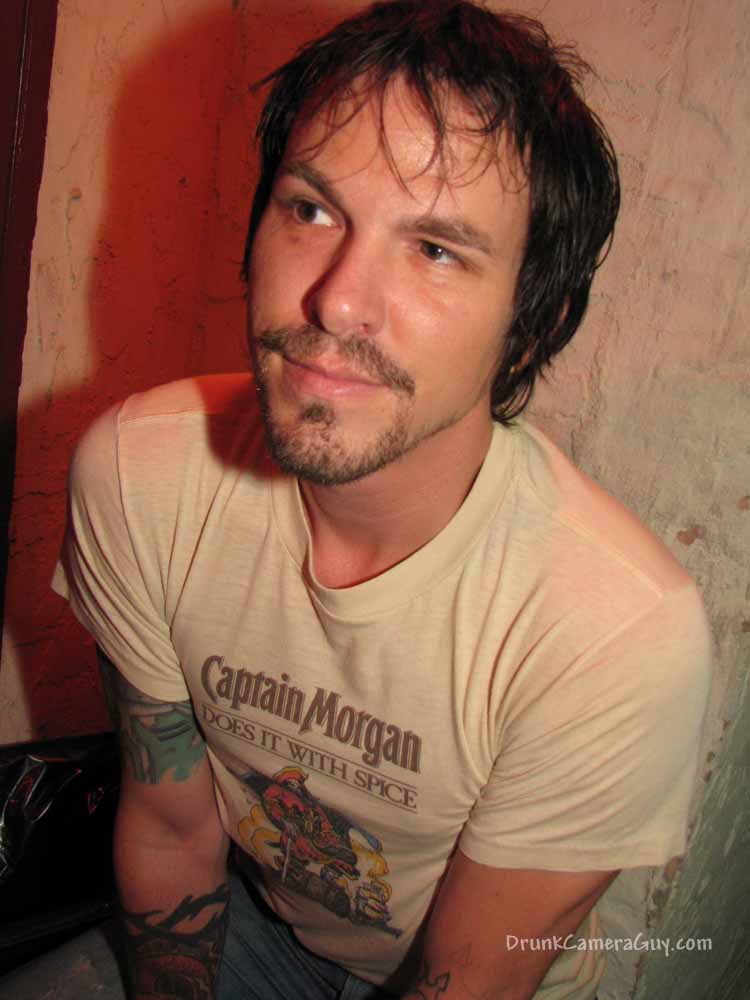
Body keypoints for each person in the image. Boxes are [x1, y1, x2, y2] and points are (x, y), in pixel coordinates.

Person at [53, 2, 711, 998]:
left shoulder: (614, 632)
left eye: (437, 248)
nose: (337, 300)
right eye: (311, 210)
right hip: (252, 923)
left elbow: (471, 979)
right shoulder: (141, 478)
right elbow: (172, 826)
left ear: (534, 326)